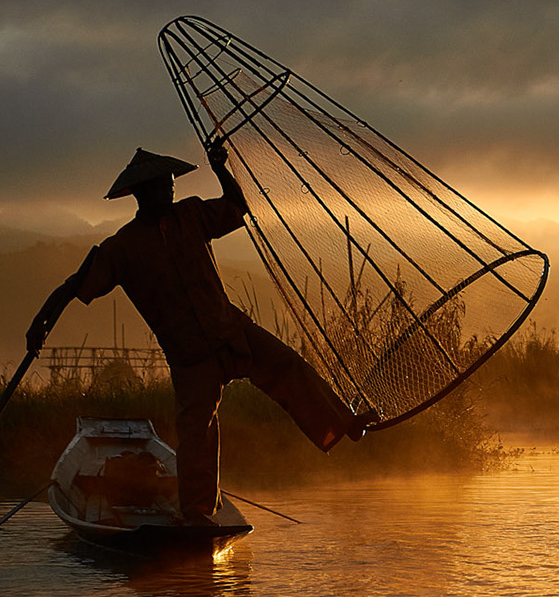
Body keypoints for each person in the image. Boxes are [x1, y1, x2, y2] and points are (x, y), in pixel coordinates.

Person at [29, 142, 374, 524]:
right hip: (190, 355)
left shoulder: (191, 214)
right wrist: (40, 321)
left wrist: (220, 169)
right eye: (162, 185)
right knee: (197, 433)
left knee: (289, 365)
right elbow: (75, 285)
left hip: (230, 329)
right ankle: (196, 515)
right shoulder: (122, 248)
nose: (170, 189)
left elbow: (236, 206)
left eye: (171, 183)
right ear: (142, 194)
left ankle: (345, 422)